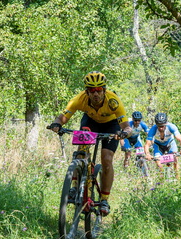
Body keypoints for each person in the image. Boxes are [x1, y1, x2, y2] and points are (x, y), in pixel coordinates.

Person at [48, 71, 132, 216]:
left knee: (106, 159)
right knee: (80, 152)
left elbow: (127, 127)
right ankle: (75, 187)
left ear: (104, 90)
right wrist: (56, 124)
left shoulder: (113, 101)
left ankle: (104, 199)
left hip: (111, 125)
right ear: (87, 92)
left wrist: (124, 133)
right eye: (92, 90)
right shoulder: (79, 99)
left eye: (99, 90)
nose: (95, 93)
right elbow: (62, 117)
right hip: (91, 121)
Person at [144, 113, 181, 179]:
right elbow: (147, 144)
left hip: (170, 143)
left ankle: (178, 180)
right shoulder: (153, 129)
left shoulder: (171, 127)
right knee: (158, 163)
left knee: (175, 160)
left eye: (162, 126)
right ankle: (162, 181)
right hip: (158, 145)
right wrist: (147, 154)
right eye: (159, 126)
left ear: (166, 124)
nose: (161, 128)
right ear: (156, 125)